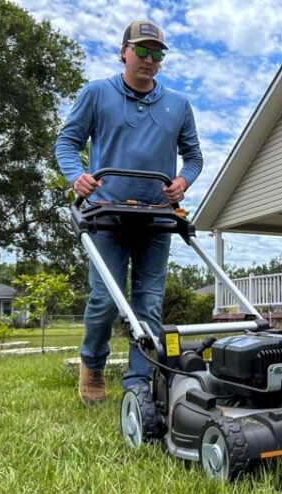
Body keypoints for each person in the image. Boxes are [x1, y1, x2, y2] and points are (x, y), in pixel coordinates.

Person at [55, 19, 203, 406]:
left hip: (156, 216)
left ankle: (138, 381)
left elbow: (194, 157)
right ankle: (93, 365)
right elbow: (67, 143)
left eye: (157, 54)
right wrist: (76, 177)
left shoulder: (178, 104)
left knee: (149, 303)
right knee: (104, 298)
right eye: (142, 50)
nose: (149, 60)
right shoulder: (97, 93)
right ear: (124, 51)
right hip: (106, 214)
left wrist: (183, 182)